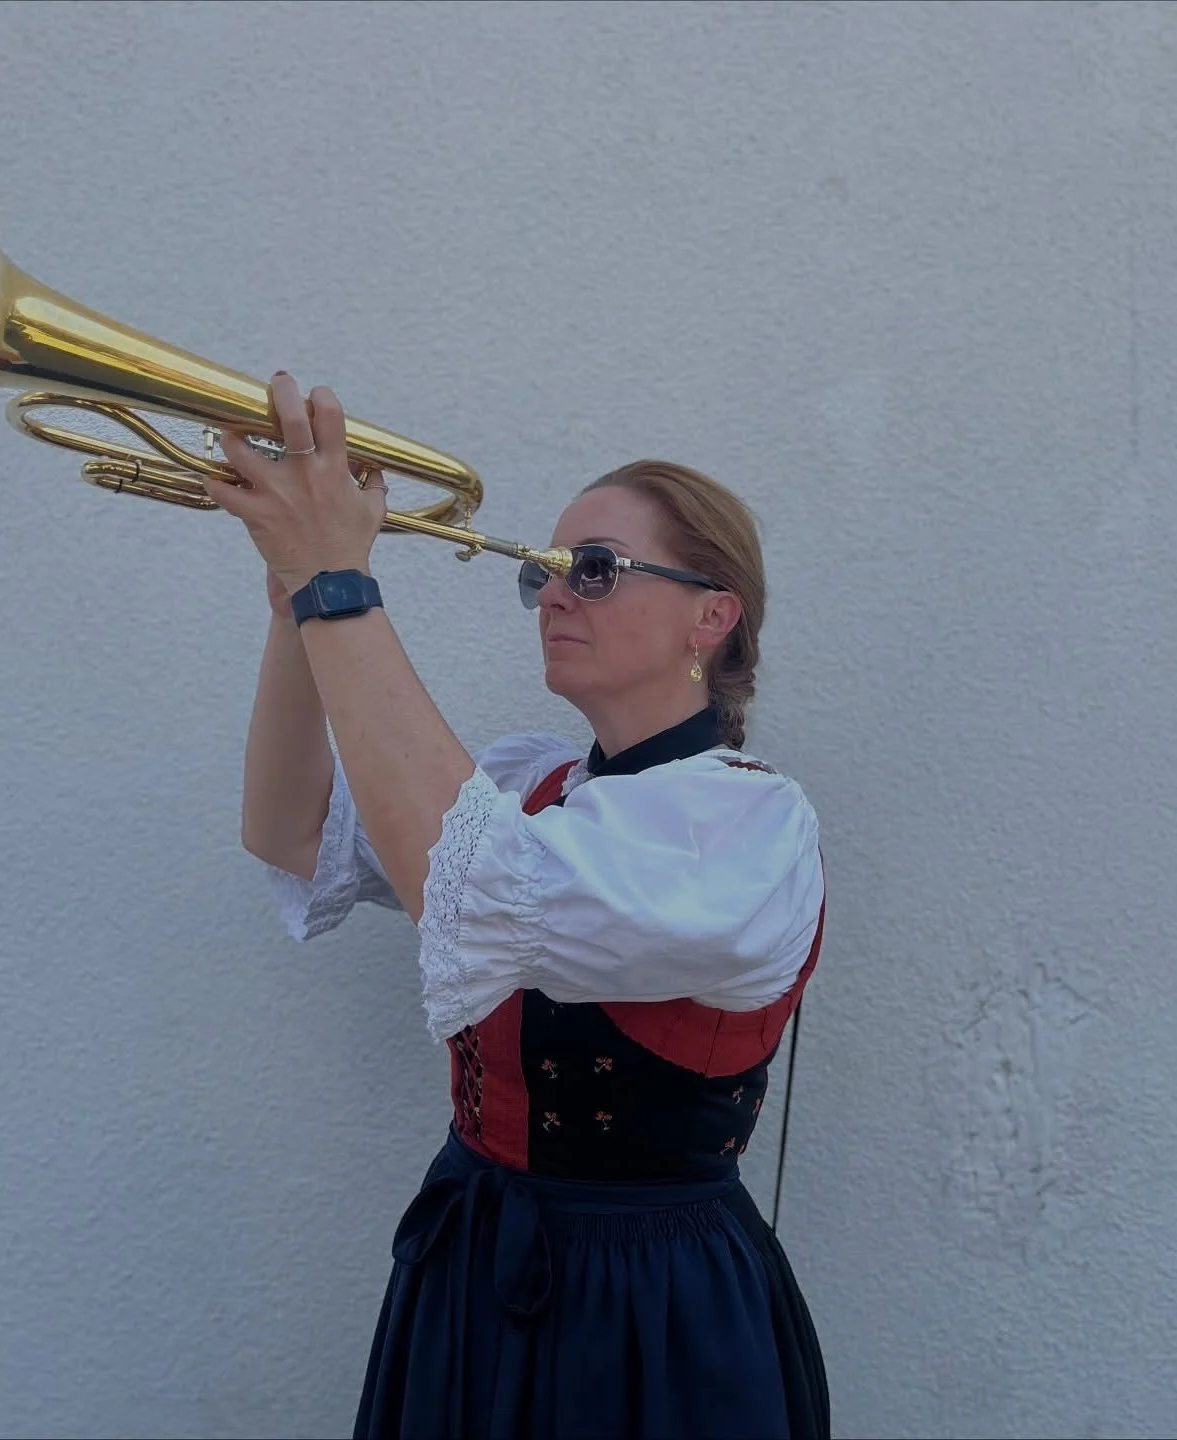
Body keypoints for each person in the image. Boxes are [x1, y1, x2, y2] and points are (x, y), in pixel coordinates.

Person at [205, 375, 829, 1440]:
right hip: (471, 1264)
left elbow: (481, 882)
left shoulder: (750, 829)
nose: (552, 593)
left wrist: (339, 583)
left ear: (712, 616)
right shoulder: (529, 786)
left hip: (650, 1306)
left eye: (594, 569)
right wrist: (295, 606)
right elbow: (288, 830)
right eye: (544, 569)